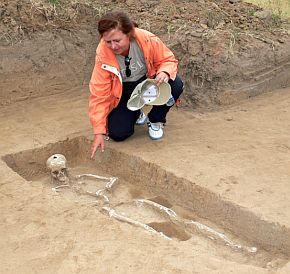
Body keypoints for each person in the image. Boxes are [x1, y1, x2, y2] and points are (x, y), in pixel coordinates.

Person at [89, 11, 184, 159]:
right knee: (118, 133)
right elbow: (99, 95)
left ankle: (155, 119)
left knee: (175, 84)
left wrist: (164, 72)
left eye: (117, 40)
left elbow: (168, 60)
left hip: (148, 84)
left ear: (129, 33)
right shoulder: (103, 55)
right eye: (108, 42)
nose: (113, 46)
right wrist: (98, 132)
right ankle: (136, 111)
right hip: (123, 93)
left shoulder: (146, 39)